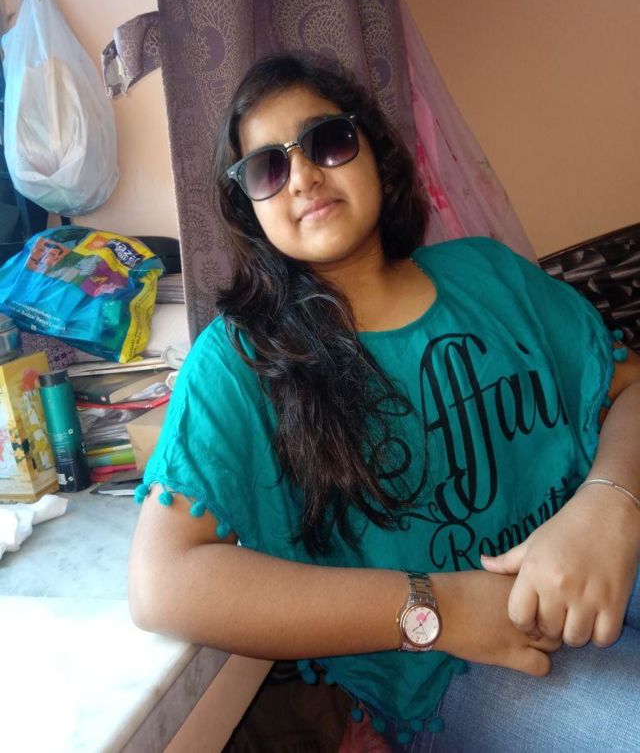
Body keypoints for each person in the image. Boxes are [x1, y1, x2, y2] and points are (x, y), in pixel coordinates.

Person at [129, 54, 640, 751]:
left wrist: (608, 505)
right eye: (267, 168)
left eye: (327, 141)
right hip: (457, 667)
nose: (303, 176)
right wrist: (440, 605)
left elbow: (629, 384)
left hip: (600, 555)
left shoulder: (487, 271)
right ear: (250, 210)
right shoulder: (241, 360)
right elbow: (163, 581)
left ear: (377, 154)